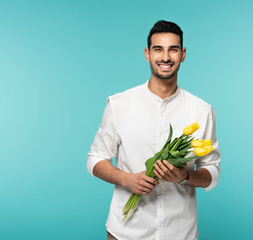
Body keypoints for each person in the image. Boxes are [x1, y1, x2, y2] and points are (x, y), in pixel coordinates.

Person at [87, 20, 221, 240]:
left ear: (183, 54)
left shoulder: (202, 110)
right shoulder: (119, 104)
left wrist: (184, 176)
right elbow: (94, 159)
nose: (166, 57)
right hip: (125, 233)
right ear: (147, 54)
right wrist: (125, 179)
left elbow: (212, 173)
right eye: (158, 49)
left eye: (173, 49)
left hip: (181, 234)